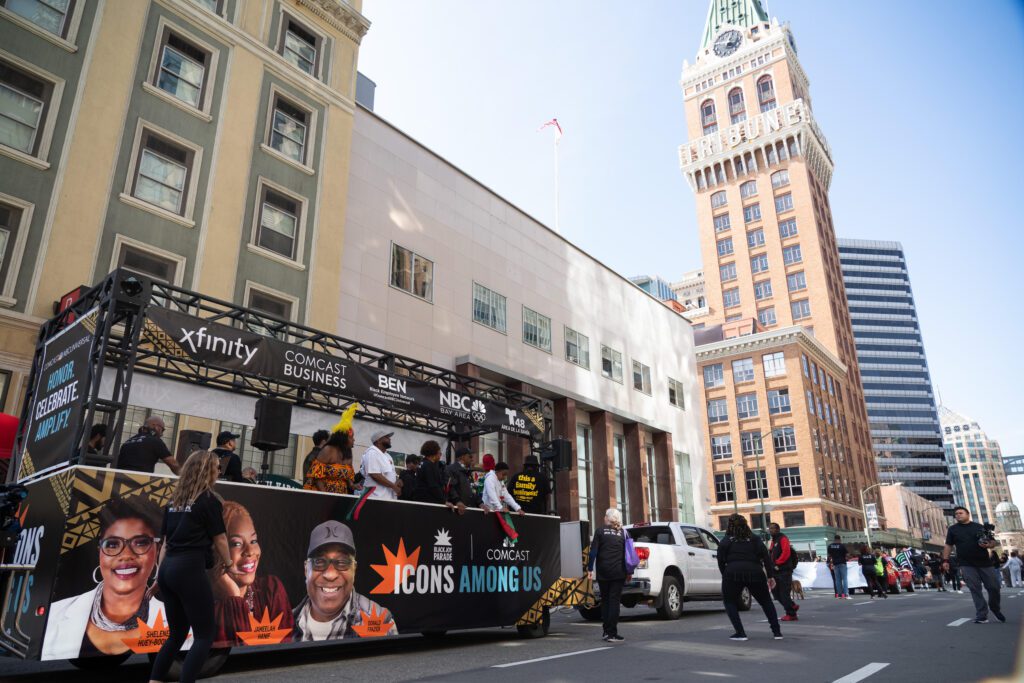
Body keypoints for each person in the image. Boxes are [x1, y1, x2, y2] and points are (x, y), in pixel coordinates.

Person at [41, 496, 165, 660]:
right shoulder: (55, 614)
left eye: (141, 543)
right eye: (113, 544)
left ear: (158, 549)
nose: (126, 555)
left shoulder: (171, 618)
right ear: (99, 551)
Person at [149, 450, 232, 683]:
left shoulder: (173, 502)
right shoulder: (208, 500)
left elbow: (165, 544)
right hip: (189, 568)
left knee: (175, 635)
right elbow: (221, 539)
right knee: (205, 635)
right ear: (206, 471)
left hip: (168, 570)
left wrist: (158, 577)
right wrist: (229, 564)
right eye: (216, 467)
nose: (219, 471)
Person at [292, 521, 397, 640]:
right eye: (319, 562)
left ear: (354, 570)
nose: (330, 574)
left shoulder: (380, 622)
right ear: (306, 570)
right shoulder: (286, 622)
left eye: (342, 562)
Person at [212, 501, 293, 646]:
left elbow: (279, 648)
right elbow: (234, 652)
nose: (250, 551)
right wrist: (234, 597)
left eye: (254, 541)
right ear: (215, 550)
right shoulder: (204, 602)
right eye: (236, 543)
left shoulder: (271, 590)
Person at [717, 514, 782, 641]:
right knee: (766, 601)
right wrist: (770, 576)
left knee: (730, 602)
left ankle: (740, 633)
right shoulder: (755, 538)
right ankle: (777, 632)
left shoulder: (726, 540)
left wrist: (725, 574)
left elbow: (720, 560)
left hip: (733, 572)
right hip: (755, 572)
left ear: (729, 525)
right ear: (746, 524)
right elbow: (766, 558)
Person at [943, 506, 1003, 623]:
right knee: (975, 589)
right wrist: (945, 560)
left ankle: (995, 608)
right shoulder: (952, 529)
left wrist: (988, 545)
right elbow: (948, 546)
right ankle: (982, 615)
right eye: (956, 514)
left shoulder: (979, 527)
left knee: (994, 587)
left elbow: (993, 542)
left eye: (960, 513)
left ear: (967, 514)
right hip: (966, 564)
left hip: (985, 563)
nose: (958, 515)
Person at [587, 508, 629, 642]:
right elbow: (627, 555)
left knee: (605, 601)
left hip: (603, 572)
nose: (604, 517)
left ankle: (606, 631)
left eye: (605, 515)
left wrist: (589, 569)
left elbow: (593, 552)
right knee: (614, 602)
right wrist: (629, 572)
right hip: (618, 572)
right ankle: (612, 633)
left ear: (609, 518)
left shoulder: (599, 531)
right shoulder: (623, 532)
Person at [304, 429, 355, 494]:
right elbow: (316, 476)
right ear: (343, 439)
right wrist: (326, 495)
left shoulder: (348, 453)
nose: (354, 439)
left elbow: (347, 474)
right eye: (351, 437)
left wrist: (352, 485)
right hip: (322, 494)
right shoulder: (328, 450)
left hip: (341, 495)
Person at [768, 523, 799, 621]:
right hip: (776, 570)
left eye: (773, 528)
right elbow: (771, 553)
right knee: (775, 592)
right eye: (770, 528)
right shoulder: (774, 540)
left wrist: (777, 563)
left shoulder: (782, 538)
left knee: (783, 593)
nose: (770, 530)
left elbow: (786, 552)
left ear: (778, 529)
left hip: (783, 570)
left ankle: (791, 614)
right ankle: (792, 605)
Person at [362, 430, 401, 500]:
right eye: (387, 437)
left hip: (387, 496)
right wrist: (393, 486)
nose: (390, 439)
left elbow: (390, 474)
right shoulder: (372, 453)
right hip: (375, 497)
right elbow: (375, 475)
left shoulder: (388, 456)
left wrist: (397, 481)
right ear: (378, 440)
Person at [414, 441, 449, 505]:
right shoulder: (428, 465)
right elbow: (433, 485)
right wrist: (444, 501)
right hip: (428, 502)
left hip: (421, 501)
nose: (440, 455)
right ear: (434, 453)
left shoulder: (423, 463)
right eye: (439, 453)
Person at [446, 447, 478, 511]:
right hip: (457, 509)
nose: (472, 459)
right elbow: (451, 488)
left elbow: (473, 489)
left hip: (469, 509)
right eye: (470, 457)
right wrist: (457, 501)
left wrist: (480, 503)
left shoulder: (467, 471)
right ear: (462, 457)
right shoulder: (451, 469)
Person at [826, 535, 850, 599]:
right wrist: (846, 558)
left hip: (835, 564)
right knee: (844, 579)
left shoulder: (830, 546)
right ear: (839, 539)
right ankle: (846, 594)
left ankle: (839, 594)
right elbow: (847, 554)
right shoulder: (842, 546)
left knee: (837, 580)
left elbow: (829, 555)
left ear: (834, 539)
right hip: (842, 563)